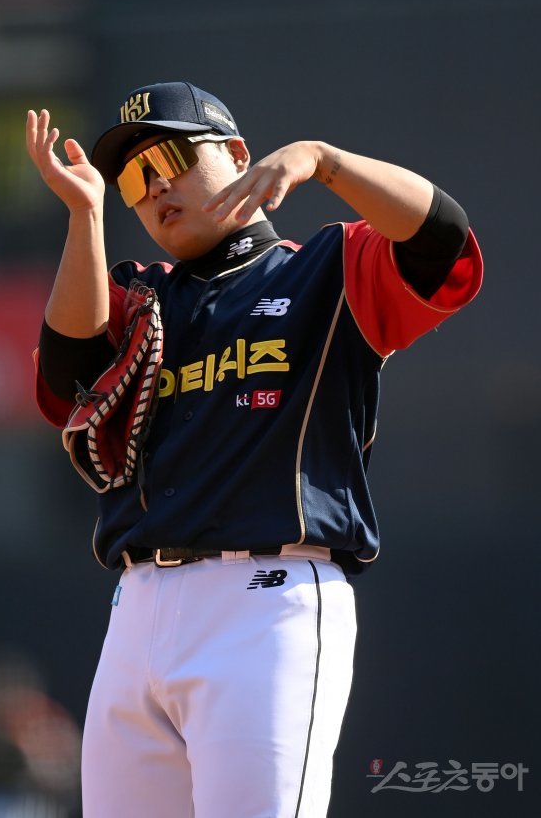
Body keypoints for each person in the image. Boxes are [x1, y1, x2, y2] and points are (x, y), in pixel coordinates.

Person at [26, 80, 483, 818]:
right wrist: (85, 214)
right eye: (134, 180)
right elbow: (66, 382)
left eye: (170, 158)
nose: (154, 187)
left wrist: (323, 159)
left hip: (267, 607)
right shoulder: (141, 299)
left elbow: (444, 241)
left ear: (237, 154)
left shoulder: (325, 270)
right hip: (135, 612)